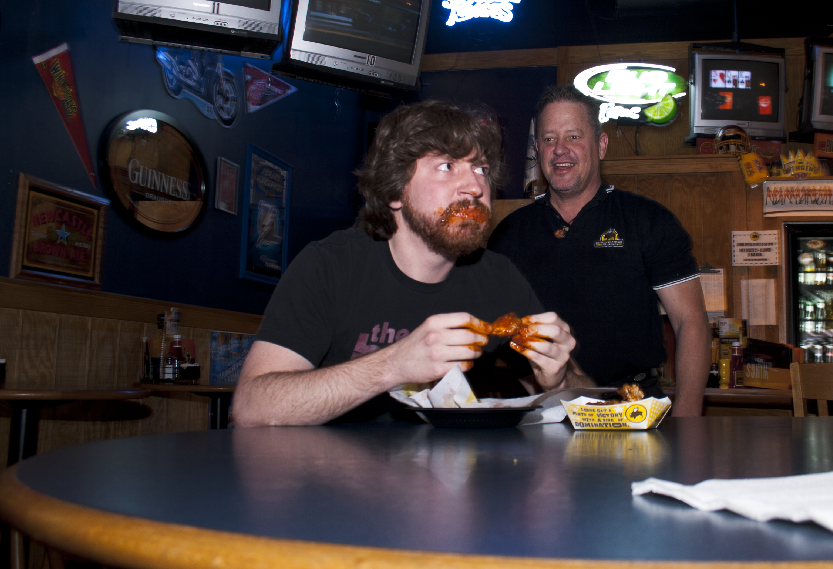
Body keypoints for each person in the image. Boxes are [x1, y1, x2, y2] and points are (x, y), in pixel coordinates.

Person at [234, 100, 582, 427]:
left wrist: (558, 377)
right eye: (447, 166)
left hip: (452, 479)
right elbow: (251, 407)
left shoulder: (499, 277)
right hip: (330, 481)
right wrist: (394, 364)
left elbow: (582, 400)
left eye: (481, 169)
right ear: (393, 192)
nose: (474, 185)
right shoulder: (330, 265)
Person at [487, 85, 711, 416]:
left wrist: (688, 419)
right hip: (540, 410)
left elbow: (690, 321)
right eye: (549, 139)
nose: (559, 150)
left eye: (573, 137)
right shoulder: (509, 233)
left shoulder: (647, 221)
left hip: (631, 406)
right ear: (537, 149)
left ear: (601, 145)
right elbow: (494, 330)